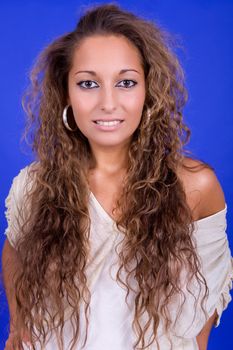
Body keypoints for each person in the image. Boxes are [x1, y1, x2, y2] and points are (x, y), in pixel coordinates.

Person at [2, 3, 233, 350]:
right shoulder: (35, 186)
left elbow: (210, 293)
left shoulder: (195, 186)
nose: (108, 103)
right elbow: (14, 250)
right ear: (66, 93)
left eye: (125, 82)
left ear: (148, 90)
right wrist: (19, 326)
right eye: (88, 83)